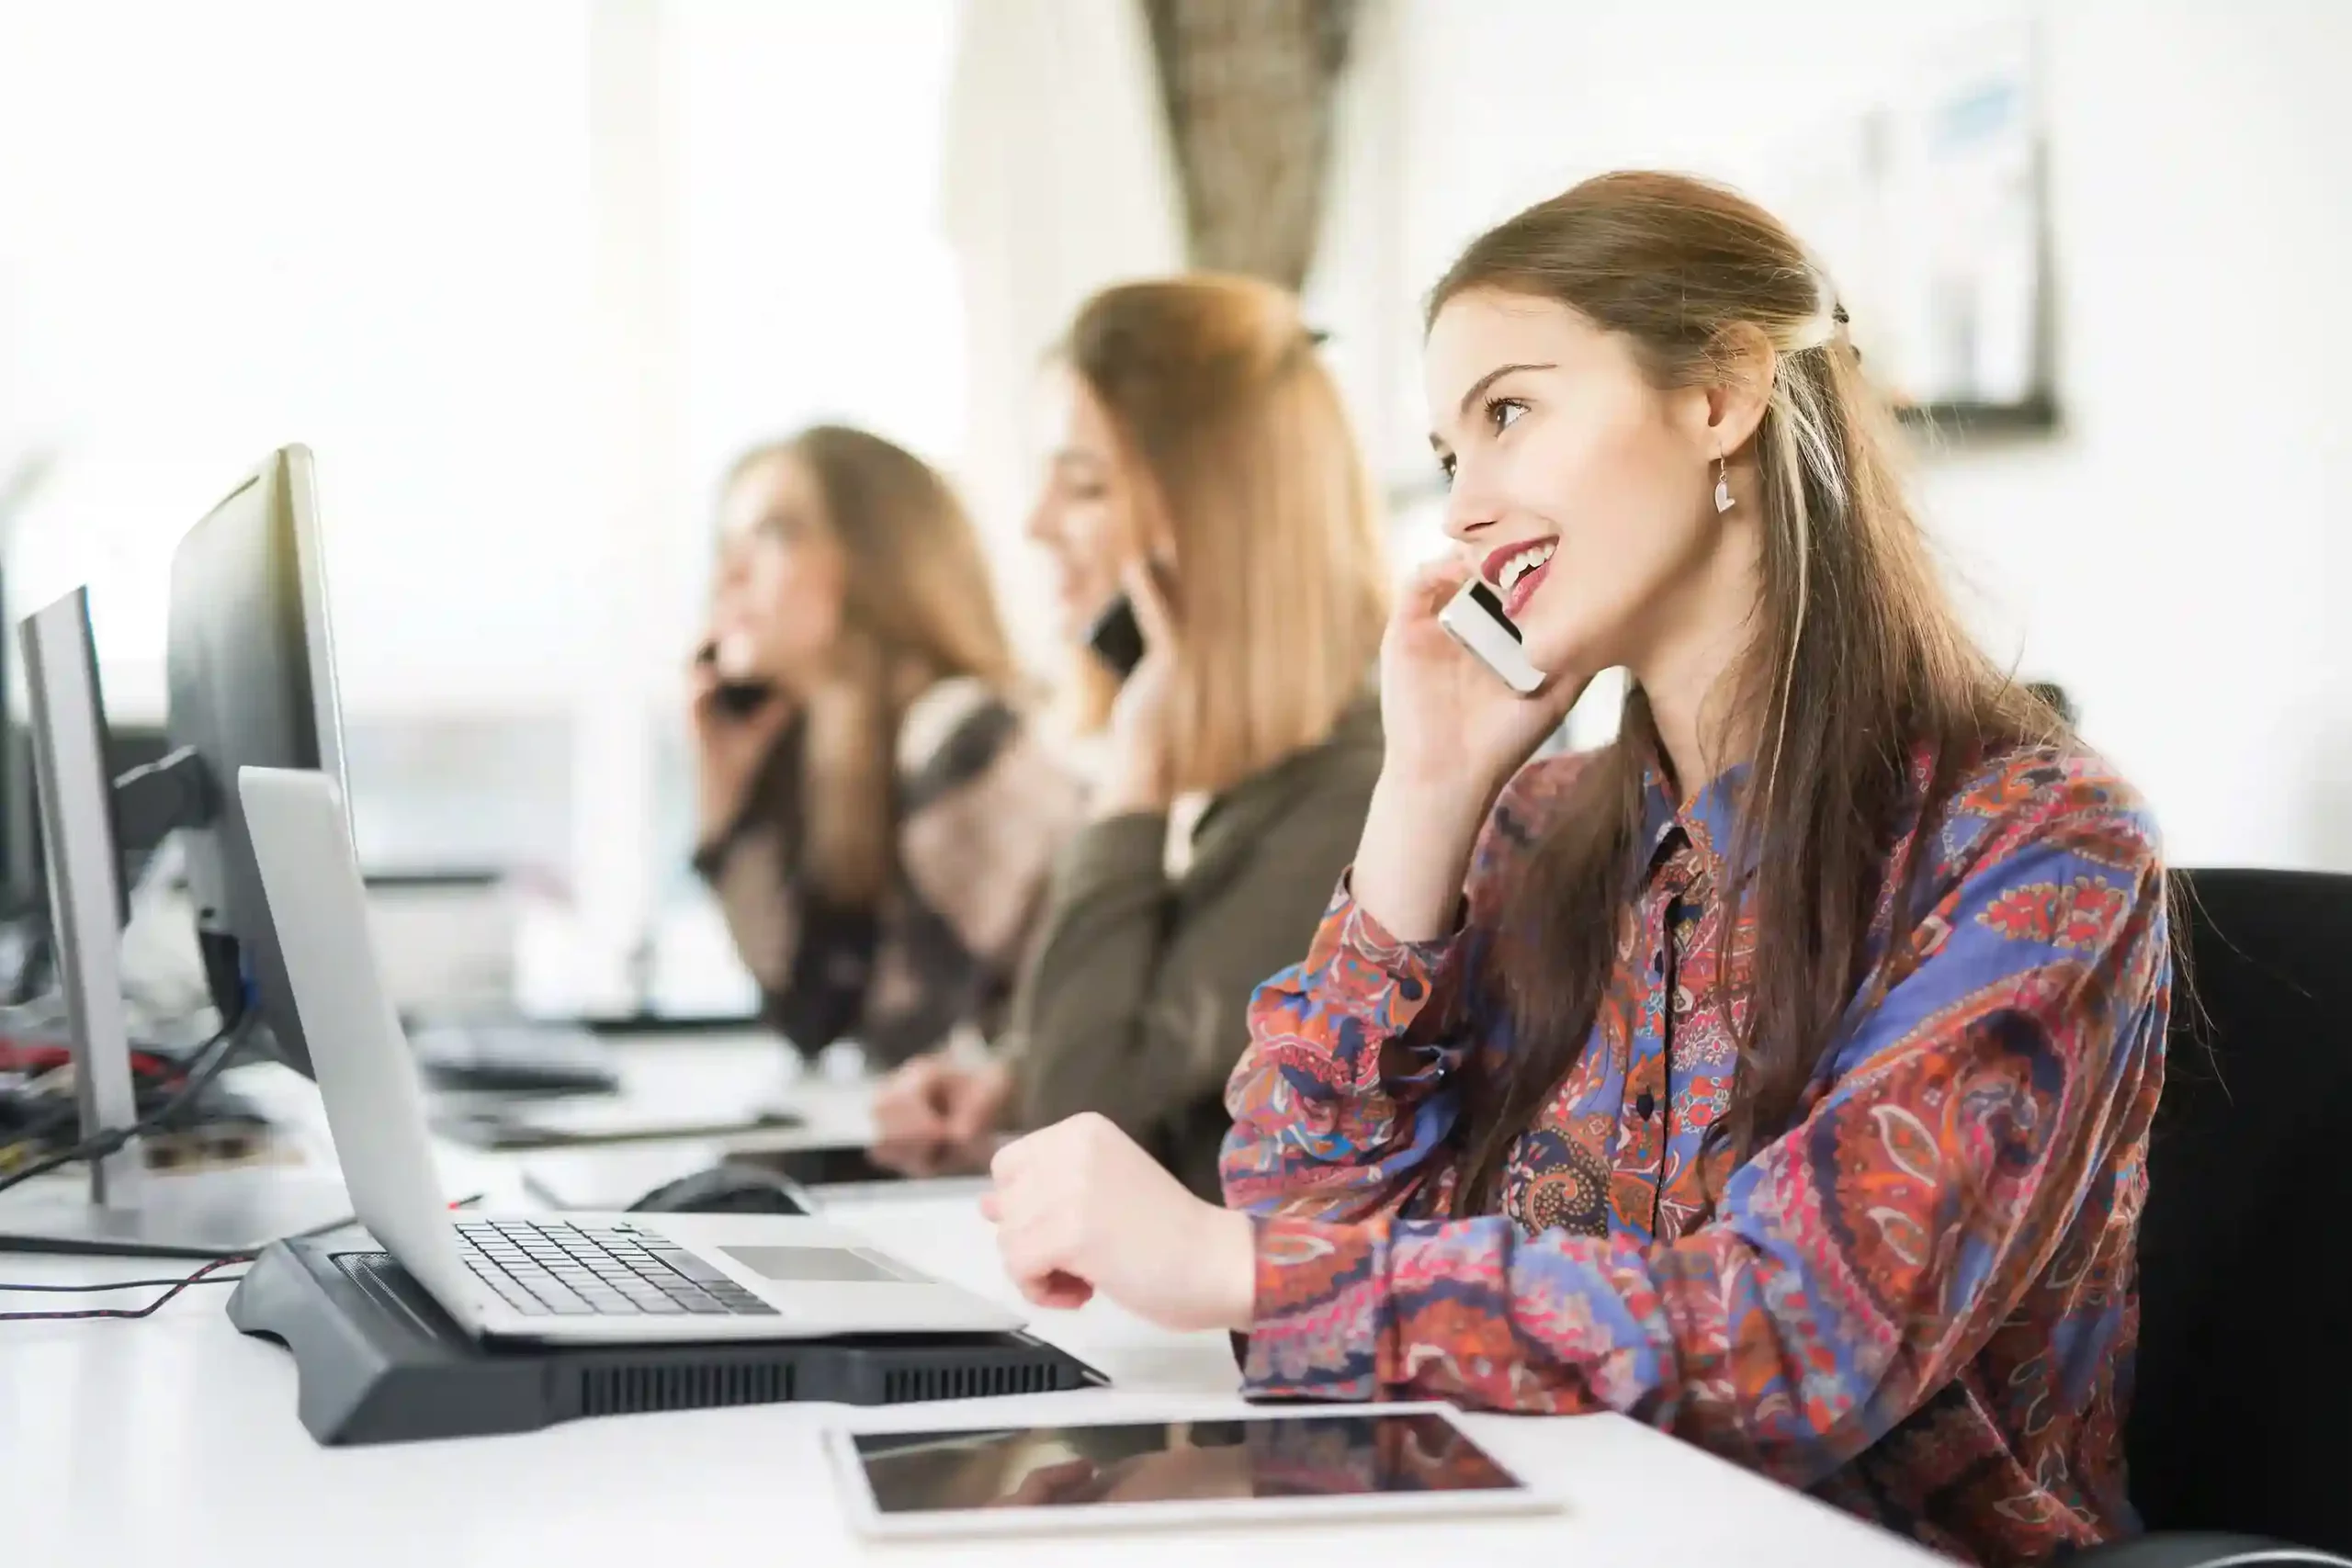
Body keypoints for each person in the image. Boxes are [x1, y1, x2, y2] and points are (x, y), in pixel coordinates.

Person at [978, 174, 2168, 1565]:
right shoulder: (1532, 822)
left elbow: (1788, 1342)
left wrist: (1231, 1267)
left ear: (1720, 395)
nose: (1463, 512)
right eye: (1448, 449)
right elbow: (1296, 1237)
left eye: (1509, 415)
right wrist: (1424, 793)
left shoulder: (2035, 843)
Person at [872, 275, 1392, 1198]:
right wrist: (1007, 1085)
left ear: (1215, 524)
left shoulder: (1354, 801)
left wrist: (1133, 783)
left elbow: (1088, 1121)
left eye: (1083, 484)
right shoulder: (1248, 779)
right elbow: (1117, 1081)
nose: (1035, 525)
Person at [691, 425, 1082, 1068]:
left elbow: (902, 1033)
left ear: (882, 557)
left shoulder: (965, 737)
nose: (729, 575)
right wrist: (724, 800)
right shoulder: (832, 757)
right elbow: (806, 1018)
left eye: (773, 534)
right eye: (725, 544)